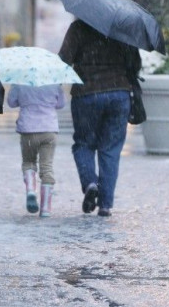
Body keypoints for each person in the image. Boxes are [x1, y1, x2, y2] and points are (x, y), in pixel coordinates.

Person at [59, 20, 141, 217]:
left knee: (83, 143)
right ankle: (105, 204)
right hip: (119, 93)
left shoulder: (79, 27)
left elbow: (64, 60)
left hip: (87, 93)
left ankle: (90, 183)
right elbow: (135, 64)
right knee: (110, 149)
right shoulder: (123, 28)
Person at [6, 84, 66, 217]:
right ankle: (45, 209)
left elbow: (11, 102)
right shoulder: (54, 82)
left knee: (28, 162)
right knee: (47, 167)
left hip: (28, 129)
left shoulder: (20, 81)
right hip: (49, 130)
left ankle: (31, 190)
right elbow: (61, 104)